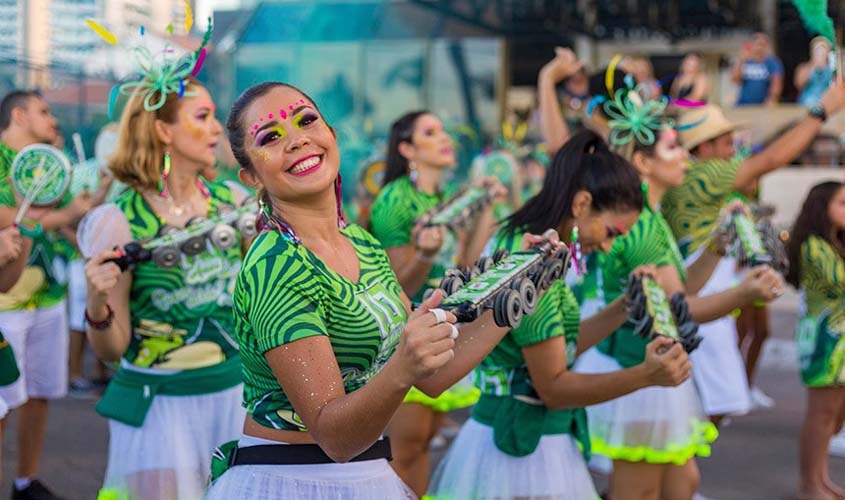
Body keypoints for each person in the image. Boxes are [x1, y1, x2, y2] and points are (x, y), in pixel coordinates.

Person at [205, 81, 552, 499]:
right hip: (292, 480)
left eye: (307, 121)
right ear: (251, 176)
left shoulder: (362, 244)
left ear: (330, 134)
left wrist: (522, 283)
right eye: (271, 137)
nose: (297, 140)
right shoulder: (275, 267)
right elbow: (335, 437)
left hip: (364, 472)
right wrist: (403, 365)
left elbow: (435, 374)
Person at [429, 129, 692, 499]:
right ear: (582, 203)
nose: (607, 245)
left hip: (522, 442)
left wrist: (624, 307)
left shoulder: (533, 243)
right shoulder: (534, 259)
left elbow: (559, 345)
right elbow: (552, 386)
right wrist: (646, 375)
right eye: (612, 231)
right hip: (523, 457)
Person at [575, 88, 782, 500]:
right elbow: (676, 308)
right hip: (640, 369)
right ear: (642, 163)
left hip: (654, 365)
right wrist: (743, 294)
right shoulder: (640, 227)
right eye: (674, 148)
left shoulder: (652, 216)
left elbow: (679, 286)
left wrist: (717, 246)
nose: (687, 156)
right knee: (641, 492)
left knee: (682, 484)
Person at [80, 73, 247, 500]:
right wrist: (98, 303)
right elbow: (112, 351)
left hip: (234, 400)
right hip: (160, 409)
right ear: (162, 129)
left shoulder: (233, 204)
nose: (216, 129)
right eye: (203, 116)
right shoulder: (119, 222)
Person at [663, 80, 845, 422]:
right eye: (727, 143)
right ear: (703, 148)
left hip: (697, 278)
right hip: (704, 285)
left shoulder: (691, 177)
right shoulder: (706, 171)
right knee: (715, 404)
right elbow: (774, 158)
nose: (734, 151)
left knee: (710, 398)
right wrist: (823, 110)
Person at [369, 111, 505, 494]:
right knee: (405, 447)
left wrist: (486, 206)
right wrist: (425, 257)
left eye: (443, 129)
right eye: (431, 133)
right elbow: (394, 284)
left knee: (425, 440)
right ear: (407, 149)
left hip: (440, 325)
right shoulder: (395, 200)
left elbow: (462, 267)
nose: (445, 138)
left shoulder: (440, 198)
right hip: (404, 335)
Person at [0, 90, 94, 500]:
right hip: (6, 303)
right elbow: (6, 217)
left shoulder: (50, 166)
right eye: (44, 111)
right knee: (2, 403)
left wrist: (81, 213)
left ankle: (26, 481)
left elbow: (77, 214)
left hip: (48, 296)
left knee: (39, 394)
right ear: (18, 115)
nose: (53, 119)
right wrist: (64, 216)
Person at [786, 182, 845, 500]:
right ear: (822, 208)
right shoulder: (814, 246)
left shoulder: (836, 243)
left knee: (832, 415)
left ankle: (821, 478)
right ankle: (809, 484)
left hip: (839, 342)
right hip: (824, 341)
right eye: (842, 203)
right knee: (820, 415)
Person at [732, 32, 784, 106]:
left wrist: (772, 99)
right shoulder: (745, 62)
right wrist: (741, 60)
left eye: (763, 45)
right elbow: (735, 80)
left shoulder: (772, 63)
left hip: (762, 105)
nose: (760, 48)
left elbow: (776, 83)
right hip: (742, 105)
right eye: (758, 44)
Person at [795, 37, 834, 107]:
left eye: (823, 51)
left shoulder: (832, 70)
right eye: (818, 51)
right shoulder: (804, 67)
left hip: (826, 105)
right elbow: (799, 84)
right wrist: (813, 66)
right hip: (806, 103)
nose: (820, 53)